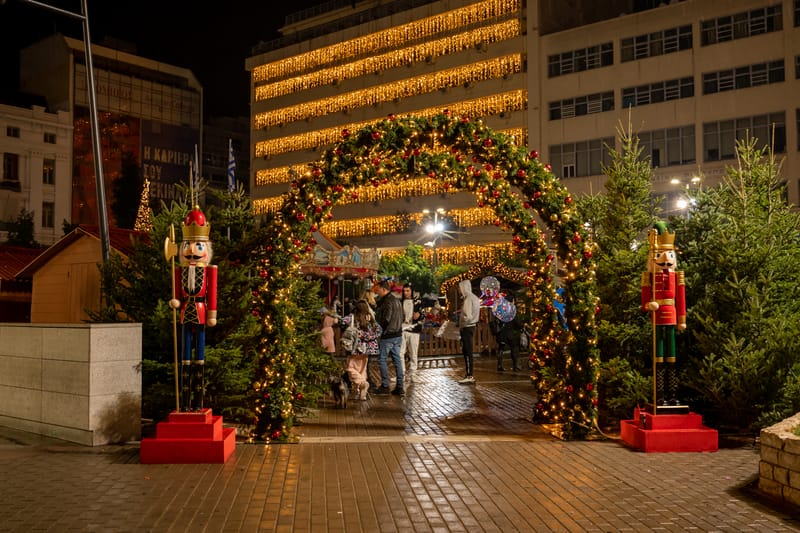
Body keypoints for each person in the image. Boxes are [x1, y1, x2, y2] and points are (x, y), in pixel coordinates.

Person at [168, 205, 218, 411]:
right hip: (185, 312)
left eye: (198, 246)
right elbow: (177, 294)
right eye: (188, 245)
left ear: (206, 249)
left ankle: (198, 402)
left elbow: (212, 293)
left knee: (200, 355)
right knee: (185, 354)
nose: (192, 251)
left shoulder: (210, 271)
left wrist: (212, 313)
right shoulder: (178, 271)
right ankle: (186, 402)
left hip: (200, 311)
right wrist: (175, 301)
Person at [641, 221, 686, 406]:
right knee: (658, 354)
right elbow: (644, 299)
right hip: (657, 317)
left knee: (671, 354)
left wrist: (682, 319)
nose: (665, 261)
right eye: (660, 255)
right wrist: (648, 305)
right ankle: (660, 394)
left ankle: (672, 393)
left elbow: (681, 298)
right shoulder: (649, 277)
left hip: (672, 314)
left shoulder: (677, 276)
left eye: (669, 256)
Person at [344, 300, 382, 400]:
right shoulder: (370, 318)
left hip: (356, 348)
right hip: (367, 349)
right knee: (362, 369)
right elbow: (378, 330)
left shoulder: (352, 317)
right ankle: (361, 393)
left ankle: (362, 383)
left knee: (350, 368)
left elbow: (341, 320)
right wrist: (367, 336)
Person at [374, 280, 405, 395]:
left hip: (388, 335)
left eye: (378, 290)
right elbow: (403, 316)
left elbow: (386, 318)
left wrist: (380, 329)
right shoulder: (397, 300)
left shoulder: (387, 301)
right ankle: (400, 386)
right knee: (397, 360)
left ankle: (385, 385)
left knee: (382, 359)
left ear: (384, 289)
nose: (377, 292)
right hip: (398, 334)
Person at [490, 295, 522, 372]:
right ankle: (515, 365)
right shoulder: (512, 311)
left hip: (500, 335)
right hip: (510, 335)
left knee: (501, 348)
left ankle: (499, 365)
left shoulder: (500, 310)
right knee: (514, 347)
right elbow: (518, 324)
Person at [457, 279, 480, 384]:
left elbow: (467, 315)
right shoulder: (474, 297)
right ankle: (469, 374)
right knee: (468, 350)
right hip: (472, 326)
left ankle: (469, 375)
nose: (459, 290)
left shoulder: (467, 299)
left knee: (467, 351)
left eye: (460, 288)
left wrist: (461, 323)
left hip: (467, 327)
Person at [400, 283, 422, 384]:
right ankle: (402, 373)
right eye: (404, 291)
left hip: (414, 330)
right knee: (400, 353)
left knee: (413, 353)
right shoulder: (400, 302)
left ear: (411, 291)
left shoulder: (417, 302)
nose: (406, 293)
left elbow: (422, 314)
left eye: (408, 291)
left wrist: (420, 314)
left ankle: (413, 374)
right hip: (402, 329)